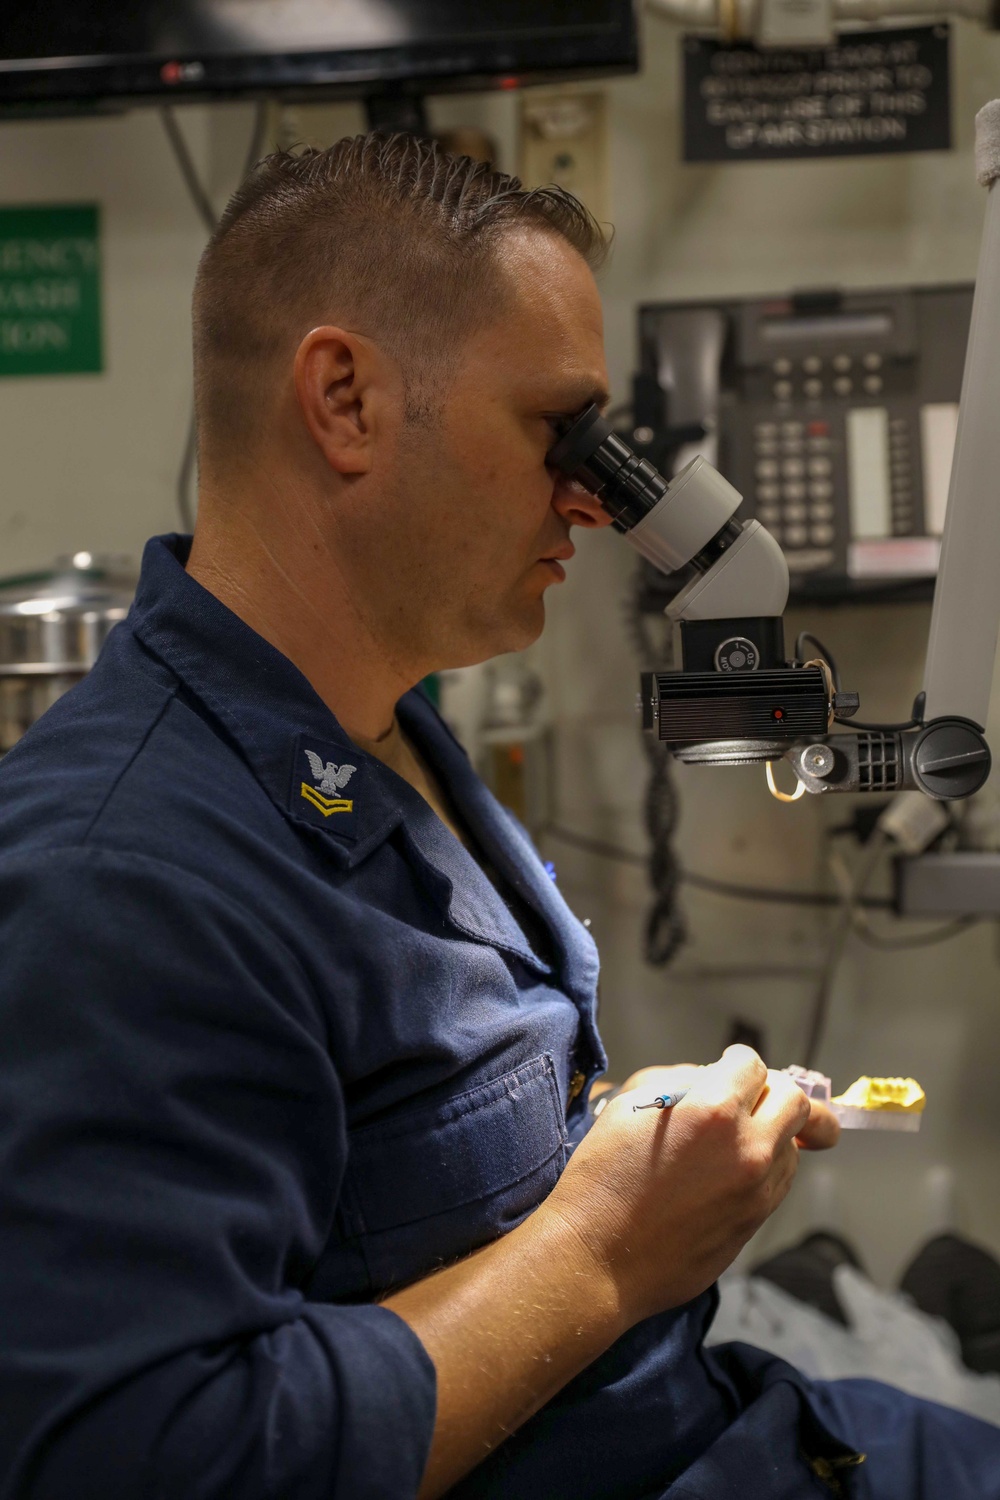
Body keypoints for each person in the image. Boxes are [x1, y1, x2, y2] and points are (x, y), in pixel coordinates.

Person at [0, 133, 997, 1500]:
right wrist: (602, 1248)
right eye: (558, 431)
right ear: (343, 400)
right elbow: (150, 1462)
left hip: (732, 1428)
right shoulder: (117, 881)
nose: (594, 495)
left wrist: (607, 1147)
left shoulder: (379, 732)